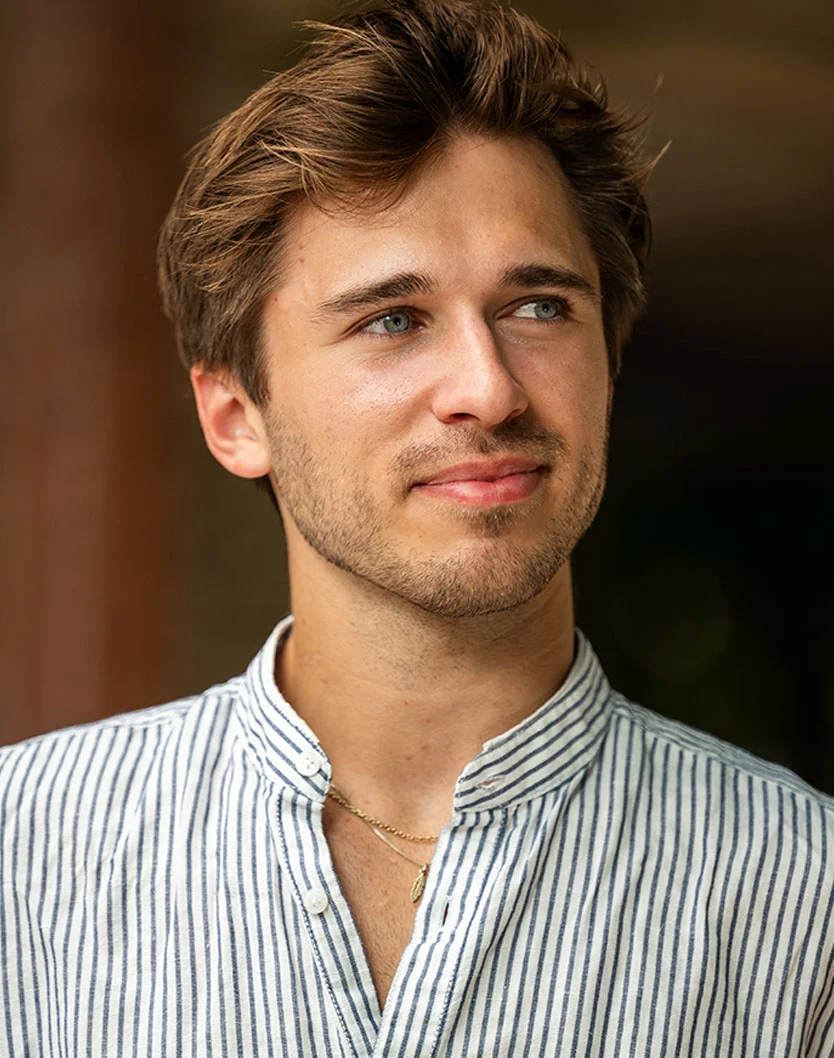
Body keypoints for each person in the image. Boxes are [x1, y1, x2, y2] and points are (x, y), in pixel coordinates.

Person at [1, 0, 832, 1054]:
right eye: (392, 319)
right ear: (234, 416)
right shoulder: (20, 857)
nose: (487, 388)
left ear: (609, 366)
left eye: (539, 307)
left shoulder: (807, 895)